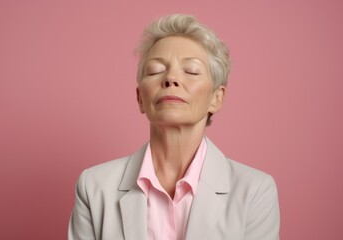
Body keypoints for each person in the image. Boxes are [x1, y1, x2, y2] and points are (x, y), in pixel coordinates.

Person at [68, 14, 280, 240]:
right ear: (140, 97)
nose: (170, 78)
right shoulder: (94, 186)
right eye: (155, 70)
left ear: (216, 98)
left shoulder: (255, 191)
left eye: (191, 70)